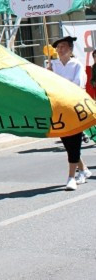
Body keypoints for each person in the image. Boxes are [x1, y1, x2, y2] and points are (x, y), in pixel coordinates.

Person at [48, 34, 91, 190]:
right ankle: (84, 169)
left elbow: (77, 85)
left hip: (74, 107)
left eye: (63, 47)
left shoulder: (77, 65)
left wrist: (58, 85)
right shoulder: (53, 65)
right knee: (68, 143)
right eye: (58, 47)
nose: (60, 50)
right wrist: (48, 74)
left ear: (70, 49)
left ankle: (71, 177)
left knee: (74, 141)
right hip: (58, 108)